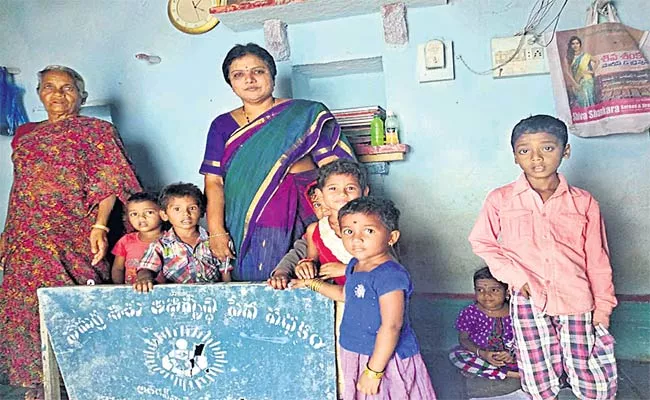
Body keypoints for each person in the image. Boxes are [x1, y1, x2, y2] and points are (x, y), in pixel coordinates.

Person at [0, 65, 141, 398]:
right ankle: (36, 384)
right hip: (26, 235)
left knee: (76, 302)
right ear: (39, 94)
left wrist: (100, 225)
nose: (58, 94)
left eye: (67, 88)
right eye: (49, 87)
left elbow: (109, 182)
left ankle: (80, 380)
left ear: (82, 96)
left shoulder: (97, 130)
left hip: (74, 232)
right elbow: (19, 187)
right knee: (25, 306)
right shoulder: (25, 136)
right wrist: (6, 232)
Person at [468, 115, 617, 400]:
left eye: (547, 148)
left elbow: (597, 259)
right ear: (515, 156)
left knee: (587, 368)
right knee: (537, 370)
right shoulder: (501, 199)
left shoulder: (583, 202)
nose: (536, 158)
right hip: (529, 300)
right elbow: (482, 241)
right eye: (525, 150)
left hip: (576, 299)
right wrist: (515, 278)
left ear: (566, 151)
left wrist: (603, 307)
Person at [200, 42, 354, 282]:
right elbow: (214, 183)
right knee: (259, 284)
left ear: (272, 75)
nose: (249, 79)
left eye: (258, 71)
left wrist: (346, 218)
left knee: (313, 277)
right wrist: (216, 232)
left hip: (306, 211)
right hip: (249, 218)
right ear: (231, 83)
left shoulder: (306, 114)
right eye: (239, 75)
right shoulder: (221, 125)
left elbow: (336, 170)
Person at [293, 197, 436, 399]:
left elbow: (391, 326)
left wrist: (374, 371)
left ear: (391, 237)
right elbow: (346, 294)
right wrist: (312, 284)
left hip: (386, 358)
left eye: (368, 231)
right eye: (348, 232)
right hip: (356, 351)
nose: (356, 239)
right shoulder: (355, 264)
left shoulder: (390, 275)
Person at [134, 183, 231, 293]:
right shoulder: (160, 245)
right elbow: (146, 268)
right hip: (176, 299)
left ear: (202, 211)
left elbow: (225, 272)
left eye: (192, 208)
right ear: (164, 215)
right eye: (177, 209)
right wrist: (144, 278)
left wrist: (228, 294)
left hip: (212, 297)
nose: (186, 214)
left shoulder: (214, 241)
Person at [294, 159, 369, 286]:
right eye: (333, 188)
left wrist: (345, 269)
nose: (342, 194)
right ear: (319, 194)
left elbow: (387, 267)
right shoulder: (315, 230)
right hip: (336, 298)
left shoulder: (373, 225)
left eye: (350, 188)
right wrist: (306, 266)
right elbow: (313, 262)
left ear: (365, 192)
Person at [449, 267, 519, 380]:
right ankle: (509, 374)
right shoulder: (470, 312)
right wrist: (482, 353)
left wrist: (511, 354)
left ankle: (486, 371)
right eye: (480, 290)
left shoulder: (516, 312)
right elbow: (463, 339)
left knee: (534, 357)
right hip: (481, 354)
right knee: (456, 356)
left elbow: (523, 339)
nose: (486, 295)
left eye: (494, 290)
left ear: (507, 292)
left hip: (510, 356)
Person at [267, 183, 330, 289]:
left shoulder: (357, 229)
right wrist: (281, 273)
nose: (324, 210)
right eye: (317, 205)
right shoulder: (315, 231)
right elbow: (299, 252)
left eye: (328, 203)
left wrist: (344, 269)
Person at [111, 192, 164, 284]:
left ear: (163, 214)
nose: (141, 217)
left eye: (149, 212)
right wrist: (120, 290)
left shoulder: (170, 240)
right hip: (131, 293)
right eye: (134, 214)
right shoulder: (126, 241)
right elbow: (118, 269)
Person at [566, 36, 598, 107]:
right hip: (577, 82)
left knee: (589, 98)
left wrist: (592, 71)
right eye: (573, 44)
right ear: (570, 45)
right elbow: (567, 72)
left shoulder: (586, 55)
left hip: (588, 80)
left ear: (580, 44)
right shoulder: (569, 57)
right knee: (582, 101)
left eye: (577, 43)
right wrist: (575, 84)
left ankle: (592, 113)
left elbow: (597, 61)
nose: (575, 45)